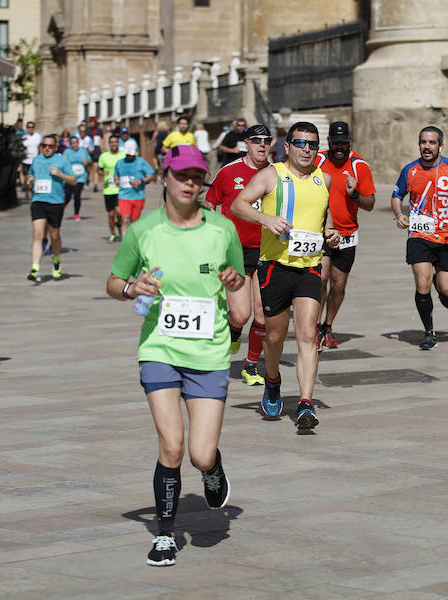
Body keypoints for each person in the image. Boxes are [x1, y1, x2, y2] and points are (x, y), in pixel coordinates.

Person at [105, 144, 244, 567]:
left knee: (200, 453)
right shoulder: (143, 231)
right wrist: (132, 289)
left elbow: (238, 288)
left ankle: (213, 470)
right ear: (165, 176)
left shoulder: (223, 230)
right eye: (182, 175)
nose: (189, 183)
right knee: (172, 444)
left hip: (209, 353)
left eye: (197, 177)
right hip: (160, 350)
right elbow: (113, 281)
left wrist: (236, 283)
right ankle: (165, 535)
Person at [231, 122, 340, 429]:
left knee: (307, 335)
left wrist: (329, 232)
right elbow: (237, 205)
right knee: (275, 336)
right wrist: (265, 218)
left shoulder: (325, 179)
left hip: (309, 267)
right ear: (288, 146)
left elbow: (324, 214)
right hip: (274, 267)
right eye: (300, 143)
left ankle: (306, 403)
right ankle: (273, 379)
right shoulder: (271, 175)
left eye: (312, 145)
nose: (307, 149)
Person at [391, 126, 448, 350]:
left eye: (432, 142)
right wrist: (399, 214)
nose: (427, 146)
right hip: (419, 235)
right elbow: (396, 195)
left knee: (447, 291)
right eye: (423, 142)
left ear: (440, 145)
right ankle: (428, 332)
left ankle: (443, 292)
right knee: (422, 281)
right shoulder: (410, 171)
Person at [206, 124, 272, 385]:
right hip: (235, 251)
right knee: (241, 314)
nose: (262, 145)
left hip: (267, 250)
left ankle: (251, 364)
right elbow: (210, 204)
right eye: (257, 140)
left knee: (262, 313)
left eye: (267, 140)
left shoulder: (276, 173)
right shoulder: (228, 172)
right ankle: (234, 331)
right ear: (247, 143)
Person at [314, 121, 377, 350]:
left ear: (349, 142)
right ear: (328, 142)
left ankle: (327, 326)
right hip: (320, 231)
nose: (339, 147)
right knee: (320, 279)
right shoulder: (318, 160)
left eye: (343, 143)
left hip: (347, 233)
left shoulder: (360, 166)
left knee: (338, 285)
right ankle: (313, 326)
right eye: (335, 143)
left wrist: (354, 194)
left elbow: (370, 204)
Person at [26, 135, 78, 280]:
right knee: (37, 235)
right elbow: (30, 174)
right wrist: (29, 179)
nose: (47, 148)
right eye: (44, 146)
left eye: (50, 146)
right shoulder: (36, 160)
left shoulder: (62, 160)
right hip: (38, 201)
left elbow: (73, 180)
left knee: (54, 236)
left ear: (55, 147)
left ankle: (56, 260)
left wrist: (60, 174)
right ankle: (35, 269)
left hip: (55, 203)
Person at [114, 140, 156, 231]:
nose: (129, 156)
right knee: (125, 220)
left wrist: (141, 181)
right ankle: (125, 244)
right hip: (124, 196)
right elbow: (115, 174)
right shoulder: (120, 162)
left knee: (134, 222)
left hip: (138, 197)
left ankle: (133, 241)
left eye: (131, 154)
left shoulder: (141, 162)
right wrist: (116, 180)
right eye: (128, 154)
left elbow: (151, 175)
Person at [98, 135, 126, 243]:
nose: (114, 144)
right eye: (112, 142)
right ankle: (112, 233)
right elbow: (99, 170)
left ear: (118, 143)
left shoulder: (123, 155)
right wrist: (102, 173)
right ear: (109, 144)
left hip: (120, 189)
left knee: (119, 212)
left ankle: (119, 223)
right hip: (108, 189)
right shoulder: (104, 156)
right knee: (110, 214)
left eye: (115, 142)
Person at [63, 135, 92, 220]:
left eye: (76, 143)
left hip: (80, 178)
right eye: (72, 143)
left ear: (78, 143)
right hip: (70, 178)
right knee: (67, 196)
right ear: (70, 144)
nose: (74, 145)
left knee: (77, 195)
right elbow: (62, 164)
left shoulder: (83, 151)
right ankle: (63, 206)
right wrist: (64, 159)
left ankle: (76, 214)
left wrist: (87, 161)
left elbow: (90, 162)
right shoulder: (67, 152)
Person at [20, 121, 41, 195]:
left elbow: (40, 147)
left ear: (34, 128)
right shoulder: (24, 137)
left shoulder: (38, 136)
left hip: (35, 160)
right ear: (26, 128)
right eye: (29, 127)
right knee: (27, 178)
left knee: (33, 177)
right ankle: (26, 192)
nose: (30, 129)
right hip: (26, 160)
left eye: (32, 127)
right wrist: (23, 152)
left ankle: (33, 190)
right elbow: (21, 148)